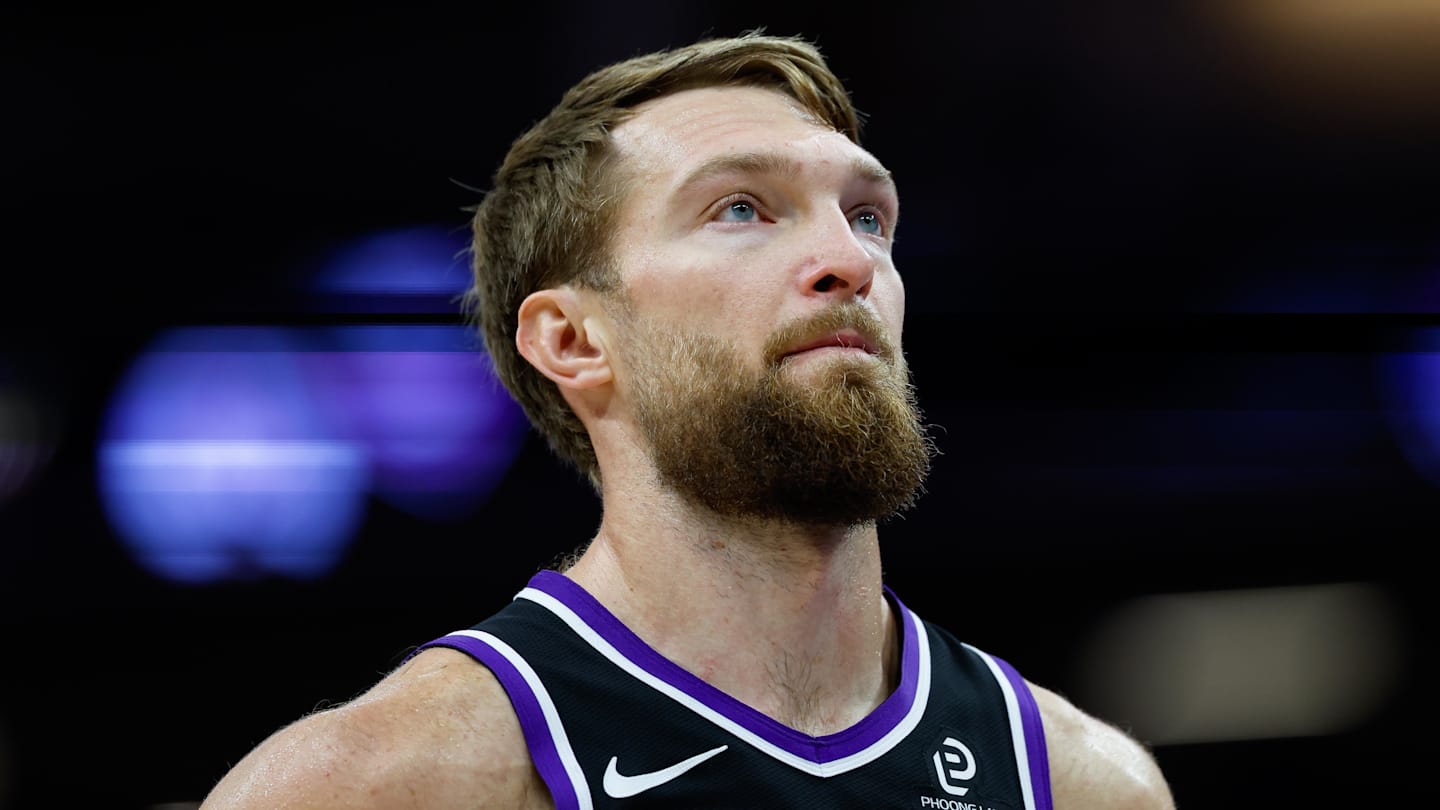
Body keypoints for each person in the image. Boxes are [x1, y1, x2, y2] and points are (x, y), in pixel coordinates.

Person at [199, 31, 1176, 809]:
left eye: (868, 216)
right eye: (743, 209)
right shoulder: (382, 783)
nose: (848, 259)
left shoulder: (1084, 783)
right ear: (576, 340)